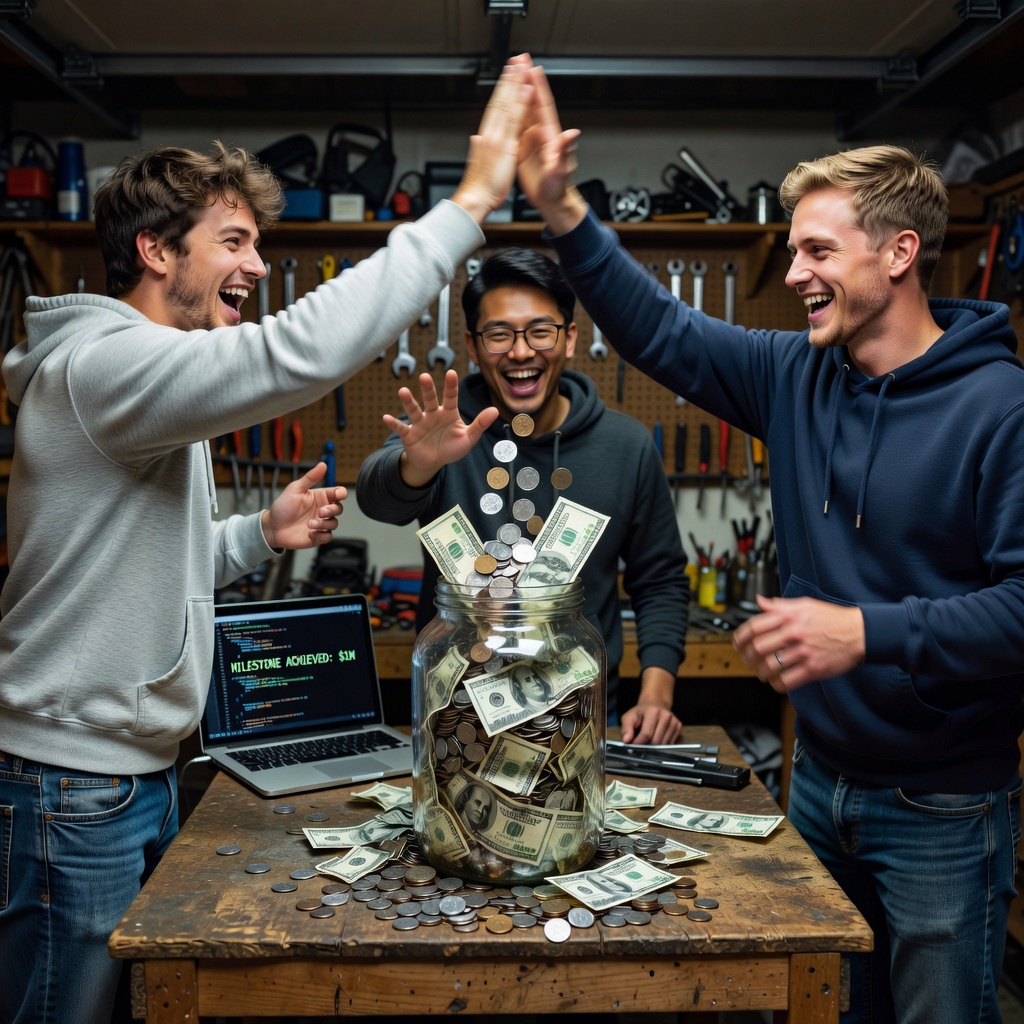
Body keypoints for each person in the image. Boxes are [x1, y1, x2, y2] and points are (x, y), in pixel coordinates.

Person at [0, 64, 532, 1024]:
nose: (255, 265)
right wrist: (470, 204)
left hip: (124, 777)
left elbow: (146, 569)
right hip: (69, 786)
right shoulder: (108, 362)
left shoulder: (137, 378)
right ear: (156, 250)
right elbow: (298, 355)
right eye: (234, 242)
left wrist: (256, 534)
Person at [513, 56, 1024, 1024]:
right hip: (819, 780)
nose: (793, 275)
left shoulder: (999, 409)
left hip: (943, 808)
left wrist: (863, 632)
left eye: (818, 253)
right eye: (795, 251)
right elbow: (657, 328)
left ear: (899, 252)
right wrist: (563, 209)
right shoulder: (796, 373)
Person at [356, 247, 689, 743]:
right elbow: (377, 500)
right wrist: (417, 465)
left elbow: (660, 580)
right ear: (472, 345)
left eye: (540, 331)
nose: (520, 352)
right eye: (499, 334)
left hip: (579, 722)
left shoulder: (627, 445)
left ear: (570, 337)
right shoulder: (443, 434)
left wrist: (657, 693)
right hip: (455, 721)